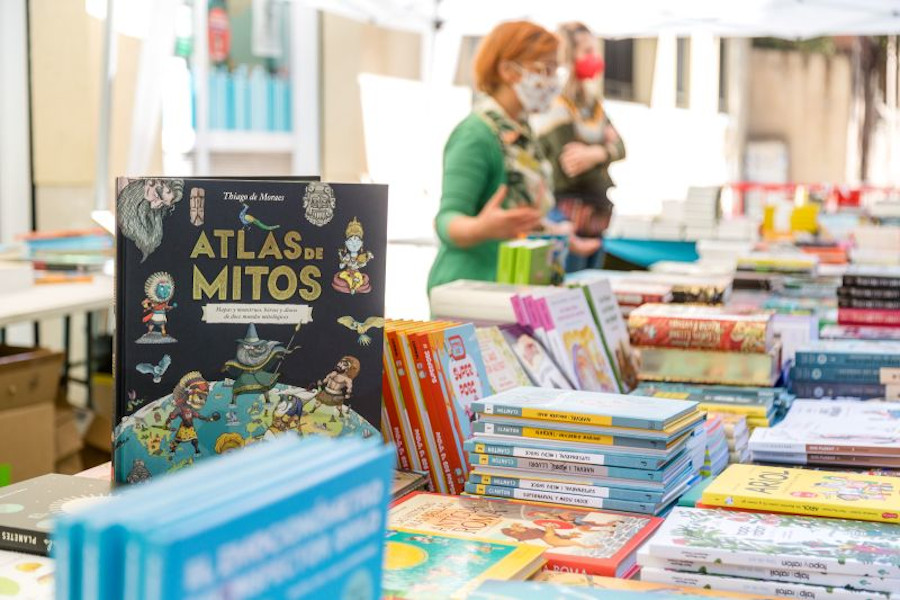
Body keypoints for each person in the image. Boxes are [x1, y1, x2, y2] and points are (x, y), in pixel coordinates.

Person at [427, 21, 599, 293]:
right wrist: (481, 228)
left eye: (557, 70)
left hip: (511, 289)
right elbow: (447, 221)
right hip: (471, 292)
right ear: (508, 71)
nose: (553, 81)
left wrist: (552, 232)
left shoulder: (521, 131)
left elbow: (516, 213)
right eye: (545, 69)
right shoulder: (475, 134)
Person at [536, 22, 626, 272]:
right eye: (587, 51)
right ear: (568, 55)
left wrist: (596, 152)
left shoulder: (591, 104)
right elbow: (572, 165)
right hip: (566, 215)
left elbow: (621, 147)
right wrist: (605, 149)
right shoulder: (555, 105)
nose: (594, 59)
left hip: (596, 218)